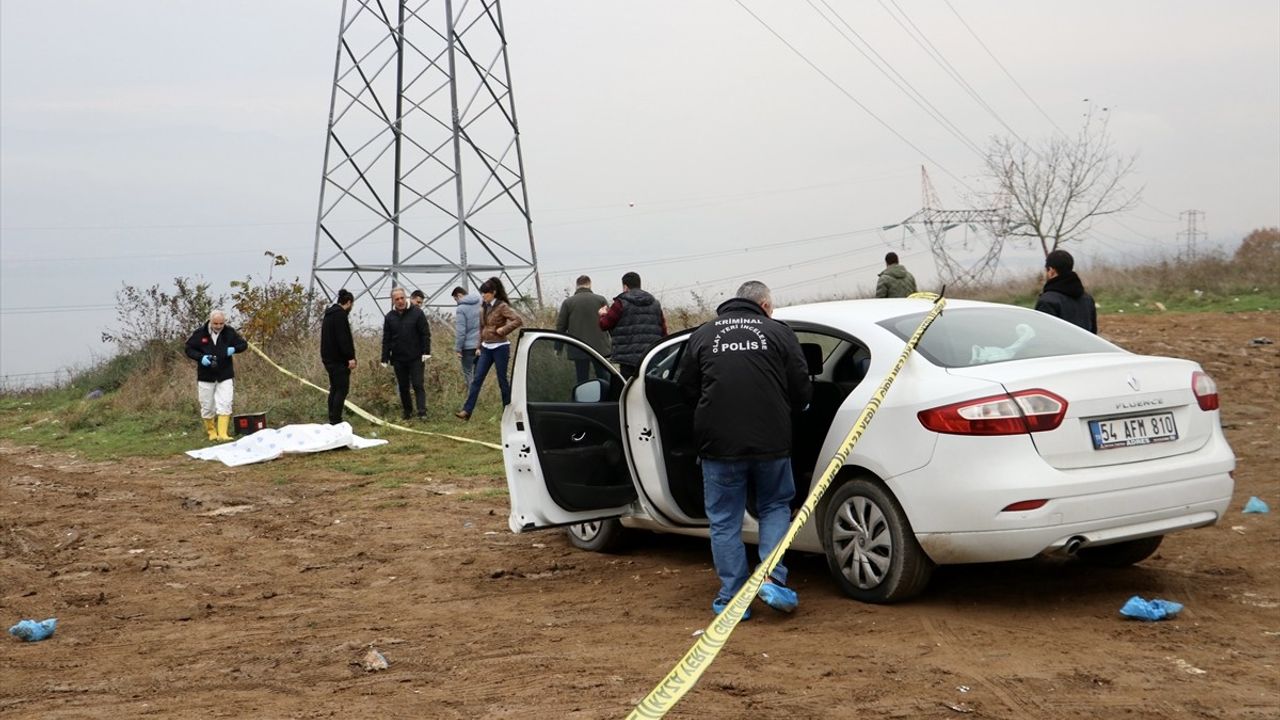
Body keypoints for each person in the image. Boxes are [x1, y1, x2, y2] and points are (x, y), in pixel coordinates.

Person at [677, 280, 812, 618]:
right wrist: (792, 410)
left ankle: (733, 597)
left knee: (724, 520)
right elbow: (801, 386)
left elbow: (685, 387)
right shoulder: (779, 332)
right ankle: (771, 577)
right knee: (774, 507)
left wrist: (708, 414)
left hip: (718, 444)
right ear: (765, 305)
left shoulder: (704, 335)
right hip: (772, 441)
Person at [455, 277, 523, 421]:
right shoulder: (483, 308)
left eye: (485, 293)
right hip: (486, 348)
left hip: (500, 348)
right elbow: (482, 329)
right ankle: (467, 411)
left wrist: (503, 330)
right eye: (482, 293)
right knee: (477, 379)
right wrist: (478, 346)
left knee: (502, 380)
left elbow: (518, 320)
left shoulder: (502, 306)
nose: (483, 296)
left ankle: (508, 412)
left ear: (493, 293)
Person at [183, 309, 248, 442]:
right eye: (215, 323)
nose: (218, 326)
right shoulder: (200, 333)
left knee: (225, 402)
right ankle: (212, 432)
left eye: (221, 323)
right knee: (207, 406)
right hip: (206, 376)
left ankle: (223, 434)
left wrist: (234, 349)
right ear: (210, 321)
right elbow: (189, 348)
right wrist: (201, 358)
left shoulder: (229, 332)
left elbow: (243, 344)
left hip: (225, 375)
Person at [597, 271, 667, 379]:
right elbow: (663, 331)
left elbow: (604, 325)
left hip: (628, 359)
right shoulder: (655, 303)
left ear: (625, 287)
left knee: (629, 388)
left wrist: (602, 315)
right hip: (651, 356)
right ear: (639, 284)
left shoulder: (620, 303)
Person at [381, 287, 431, 420]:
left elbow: (425, 333)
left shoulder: (417, 313)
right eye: (397, 299)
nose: (400, 301)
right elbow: (386, 338)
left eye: (402, 298)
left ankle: (422, 412)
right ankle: (407, 411)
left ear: (406, 297)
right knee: (403, 387)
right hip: (398, 358)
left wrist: (426, 351)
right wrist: (384, 357)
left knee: (417, 384)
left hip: (416, 356)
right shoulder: (389, 317)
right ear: (393, 301)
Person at [556, 275, 611, 384]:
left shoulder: (568, 302)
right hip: (599, 347)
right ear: (590, 284)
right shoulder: (601, 300)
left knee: (582, 378)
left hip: (578, 346)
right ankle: (608, 398)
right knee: (603, 376)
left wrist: (558, 347)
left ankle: (583, 399)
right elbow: (609, 321)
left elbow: (561, 326)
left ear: (577, 286)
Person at [1036, 249, 1098, 333]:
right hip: (1084, 346)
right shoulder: (1088, 299)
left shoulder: (1047, 301)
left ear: (1051, 271)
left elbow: (1044, 335)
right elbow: (1093, 333)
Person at [320, 288, 357, 425]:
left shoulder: (329, 315)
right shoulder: (340, 315)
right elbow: (343, 339)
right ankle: (336, 419)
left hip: (328, 359)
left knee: (334, 388)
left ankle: (332, 417)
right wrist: (350, 357)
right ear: (349, 302)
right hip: (339, 360)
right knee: (342, 389)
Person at [452, 285, 481, 387]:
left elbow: (461, 331)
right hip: (480, 344)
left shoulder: (461, 308)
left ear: (459, 295)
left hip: (467, 347)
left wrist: (458, 348)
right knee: (478, 374)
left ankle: (471, 397)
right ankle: (478, 396)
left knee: (468, 373)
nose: (456, 302)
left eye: (456, 299)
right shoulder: (480, 302)